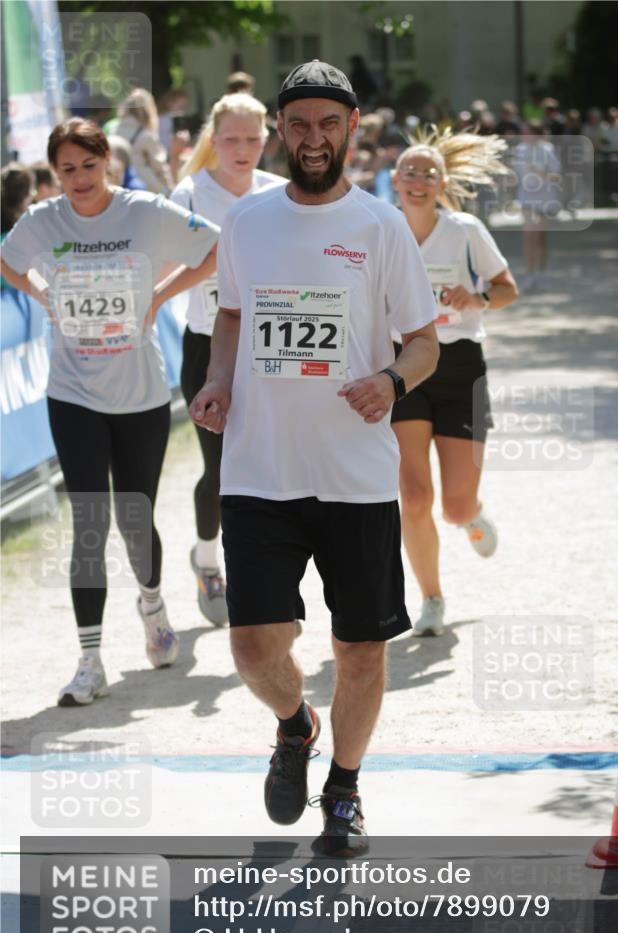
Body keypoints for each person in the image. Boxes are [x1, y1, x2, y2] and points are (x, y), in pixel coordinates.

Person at [189, 60, 438, 855]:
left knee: (360, 647)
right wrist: (218, 384)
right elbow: (230, 315)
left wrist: (392, 379)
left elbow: (426, 340)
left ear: (352, 128)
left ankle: (345, 789)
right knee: (253, 646)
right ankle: (295, 727)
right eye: (299, 124)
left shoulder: (380, 226)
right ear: (280, 132)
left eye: (329, 124)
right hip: (259, 465)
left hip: (353, 475)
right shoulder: (250, 222)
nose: (314, 138)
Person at [0, 118, 219, 706]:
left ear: (108, 164)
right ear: (54, 173)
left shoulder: (144, 211)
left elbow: (215, 246)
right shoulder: (45, 221)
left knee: (133, 518)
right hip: (72, 392)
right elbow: (6, 258)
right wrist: (42, 294)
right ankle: (90, 660)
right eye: (66, 170)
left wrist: (158, 296)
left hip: (141, 394)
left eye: (88, 166)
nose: (78, 180)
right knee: (91, 523)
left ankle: (150, 600)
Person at [391, 129, 518, 636]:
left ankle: (472, 516)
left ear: (442, 183)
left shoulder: (465, 229)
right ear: (395, 180)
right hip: (403, 366)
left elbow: (508, 289)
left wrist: (477, 300)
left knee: (454, 504)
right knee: (413, 495)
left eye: (428, 173)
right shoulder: (382, 229)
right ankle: (431, 598)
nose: (418, 180)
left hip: (461, 364)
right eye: (409, 171)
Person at [171, 93, 285, 625]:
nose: (243, 150)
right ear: (212, 142)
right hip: (208, 346)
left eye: (253, 139)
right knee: (219, 469)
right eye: (231, 140)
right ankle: (207, 558)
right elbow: (168, 265)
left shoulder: (279, 194)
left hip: (270, 345)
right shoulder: (189, 194)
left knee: (266, 463)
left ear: (268, 140)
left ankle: (263, 578)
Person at [513, 120, 561, 290]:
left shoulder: (547, 150)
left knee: (540, 238)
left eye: (527, 132)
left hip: (544, 199)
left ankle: (541, 273)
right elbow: (515, 175)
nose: (524, 135)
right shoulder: (519, 151)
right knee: (528, 237)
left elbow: (556, 176)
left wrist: (539, 172)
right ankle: (529, 274)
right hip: (526, 199)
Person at [110, 89, 172, 194]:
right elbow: (159, 166)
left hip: (118, 184)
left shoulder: (113, 130)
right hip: (144, 187)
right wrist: (169, 188)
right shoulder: (146, 135)